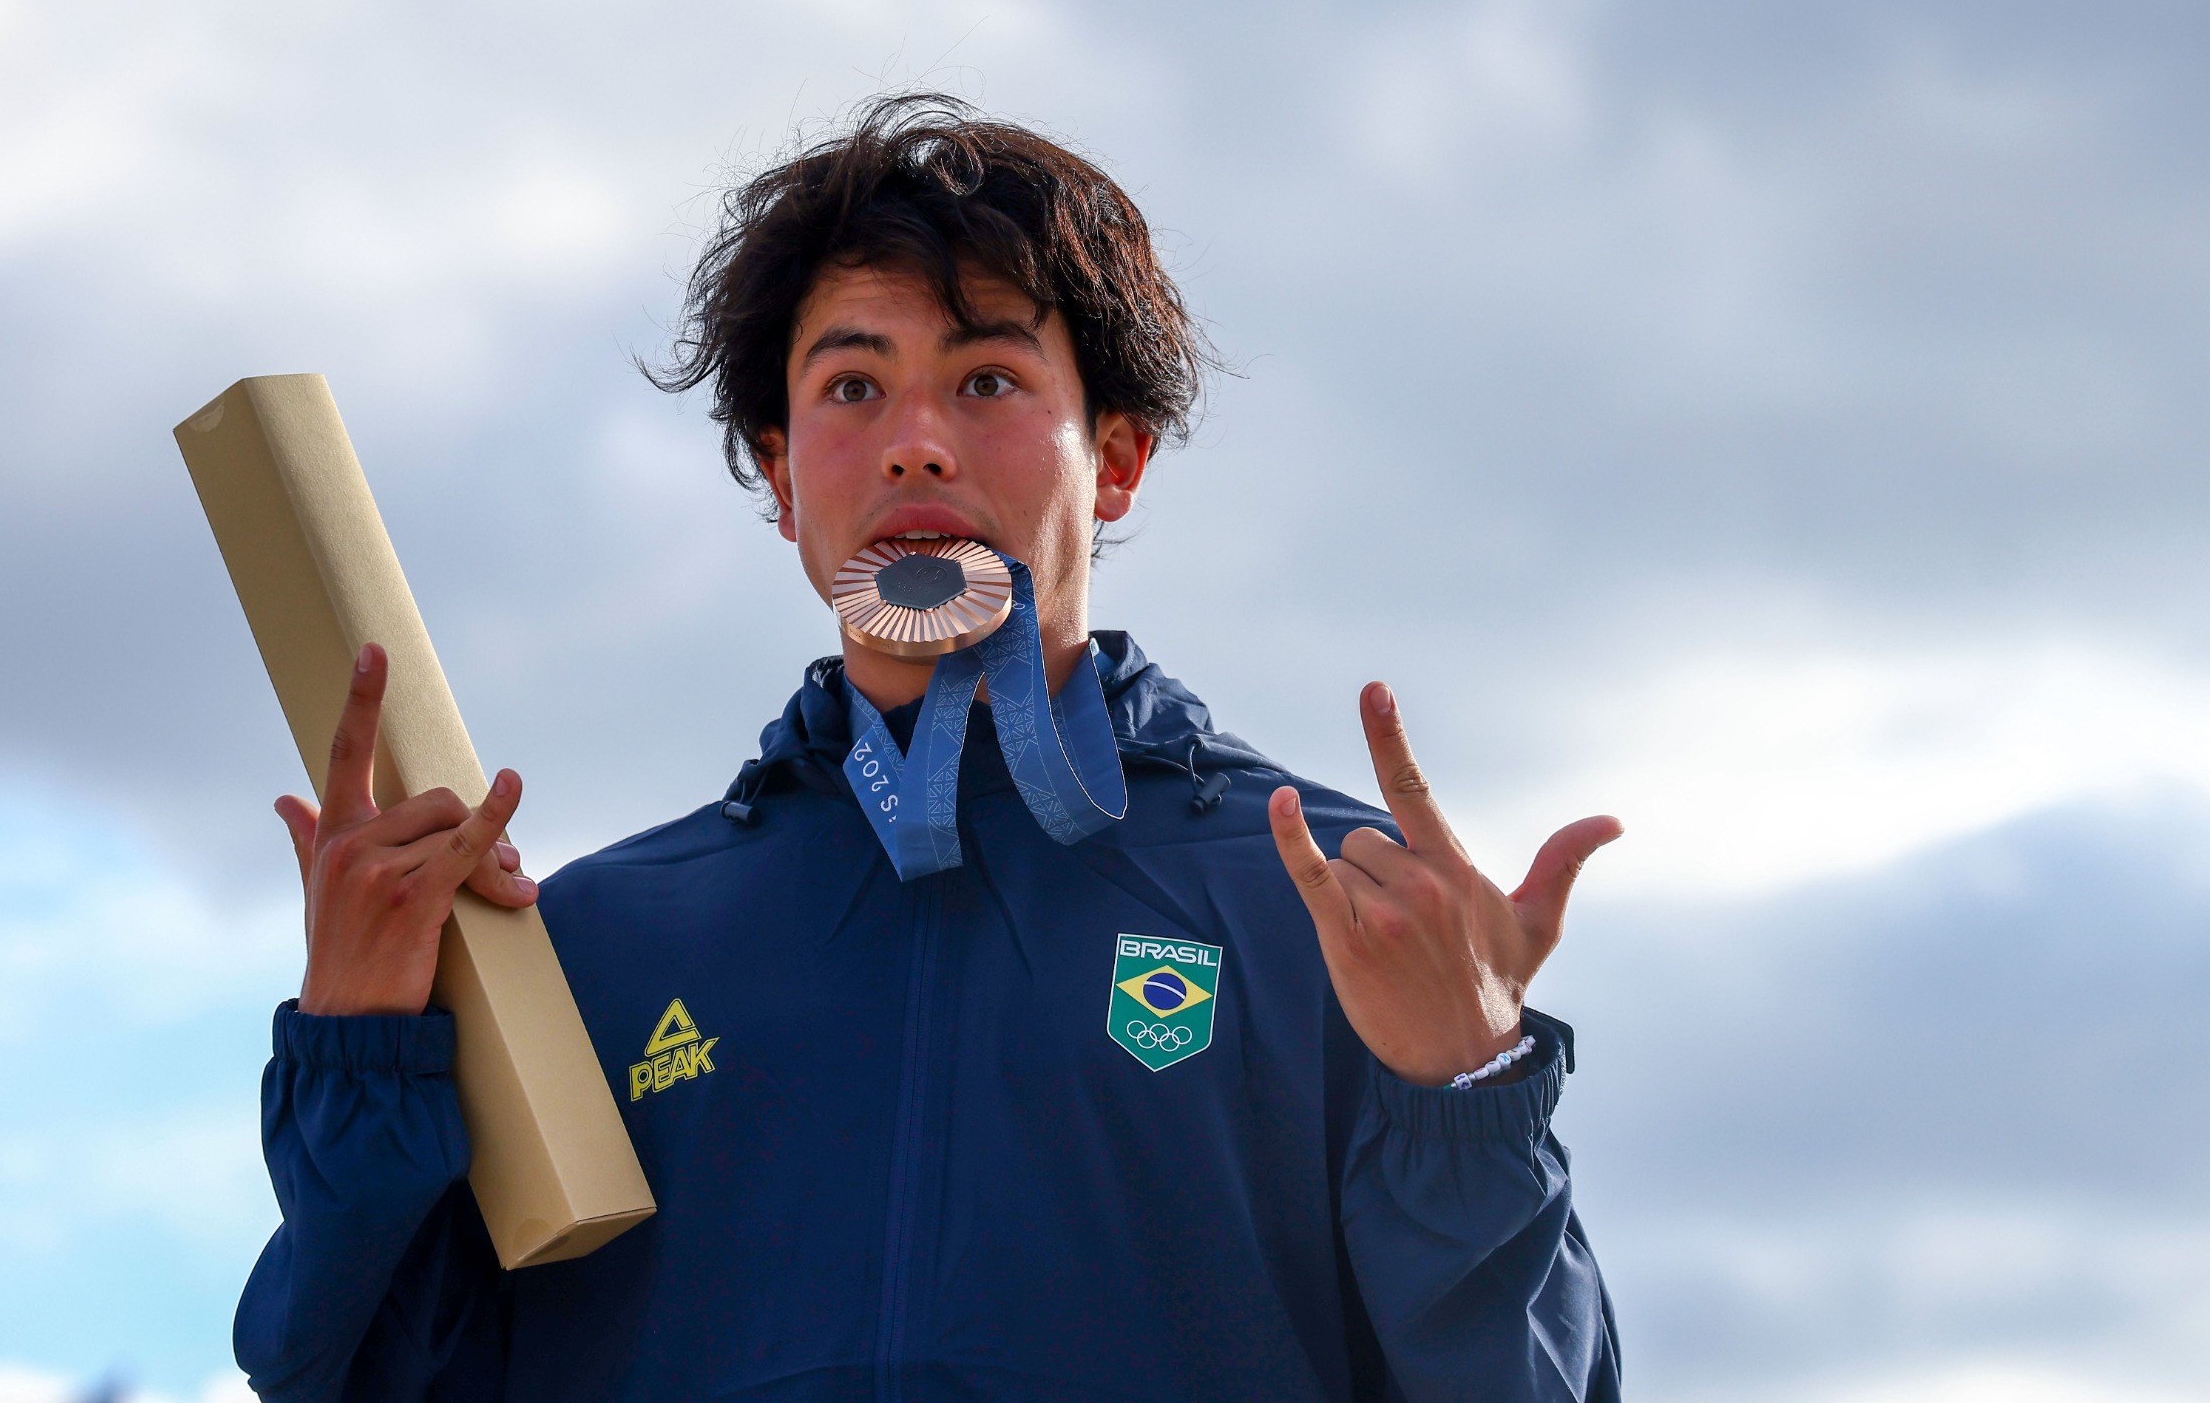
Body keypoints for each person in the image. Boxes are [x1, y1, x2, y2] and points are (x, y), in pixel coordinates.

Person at [234, 94, 1623, 1402]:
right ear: (781, 481)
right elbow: (368, 1378)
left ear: (1117, 460)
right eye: (851, 389)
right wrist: (362, 1054)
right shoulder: (590, 947)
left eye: (988, 380)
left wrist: (1468, 1093)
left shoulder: (1330, 909)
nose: (913, 446)